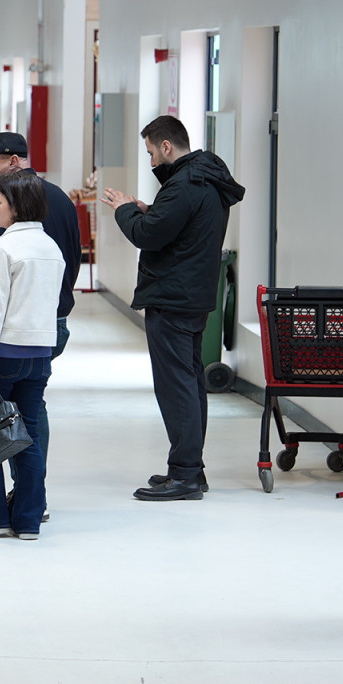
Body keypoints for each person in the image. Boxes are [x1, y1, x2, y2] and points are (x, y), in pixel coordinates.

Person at [101, 115, 244, 501]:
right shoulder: (205, 178)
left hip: (172, 298)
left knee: (176, 387)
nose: (150, 161)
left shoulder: (183, 184)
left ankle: (185, 475)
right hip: (192, 296)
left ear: (167, 146)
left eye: (151, 152)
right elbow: (180, 227)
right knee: (190, 382)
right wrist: (149, 209)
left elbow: (147, 236)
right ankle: (189, 468)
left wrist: (126, 210)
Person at [0, 132, 82, 519]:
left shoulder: (3, 211)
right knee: (32, 410)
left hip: (5, 334)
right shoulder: (60, 200)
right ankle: (32, 499)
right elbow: (71, 262)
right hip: (47, 326)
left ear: (14, 161)